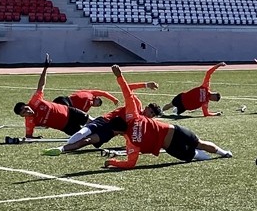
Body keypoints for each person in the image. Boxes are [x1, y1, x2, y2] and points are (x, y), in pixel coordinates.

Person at [102, 64, 232, 169]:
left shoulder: (131, 144)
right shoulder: (133, 116)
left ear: (118, 132)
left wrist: (112, 162)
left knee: (193, 152)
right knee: (198, 143)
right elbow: (128, 95)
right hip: (174, 129)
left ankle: (213, 154)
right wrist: (119, 76)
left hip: (170, 146)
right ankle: (223, 152)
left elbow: (130, 164)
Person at [49, 80, 162, 154]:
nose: (150, 115)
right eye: (151, 111)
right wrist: (146, 85)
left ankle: (61, 149)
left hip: (111, 132)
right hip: (104, 120)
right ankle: (64, 147)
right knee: (81, 133)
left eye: (152, 115)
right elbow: (128, 88)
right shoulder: (136, 104)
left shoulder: (142, 122)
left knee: (87, 140)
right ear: (147, 107)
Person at [12, 54, 90, 139]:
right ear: (22, 116)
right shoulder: (30, 122)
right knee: (85, 137)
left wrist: (45, 68)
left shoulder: (35, 101)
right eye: (24, 113)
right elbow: (28, 136)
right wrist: (36, 138)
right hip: (66, 127)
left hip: (70, 112)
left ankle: (106, 125)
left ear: (27, 105)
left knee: (92, 121)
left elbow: (41, 85)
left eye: (26, 108)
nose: (28, 111)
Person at [161, 62, 225, 117]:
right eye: (214, 98)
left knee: (176, 114)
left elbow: (206, 114)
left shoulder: (205, 102)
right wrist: (218, 65)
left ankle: (176, 109)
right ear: (214, 94)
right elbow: (208, 73)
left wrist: (215, 114)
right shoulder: (205, 87)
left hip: (185, 107)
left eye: (214, 100)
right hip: (182, 98)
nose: (213, 100)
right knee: (170, 105)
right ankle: (160, 111)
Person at [53, 87, 120, 114]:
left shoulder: (87, 107)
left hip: (68, 107)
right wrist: (114, 99)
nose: (96, 105)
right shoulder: (91, 93)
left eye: (97, 106)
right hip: (65, 100)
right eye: (98, 103)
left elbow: (81, 114)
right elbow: (104, 93)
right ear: (97, 97)